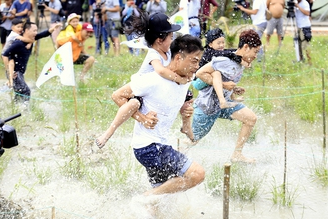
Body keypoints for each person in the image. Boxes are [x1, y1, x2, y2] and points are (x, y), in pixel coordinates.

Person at [109, 35, 205, 215]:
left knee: (159, 206)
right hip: (149, 147)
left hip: (157, 145)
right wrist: (142, 117)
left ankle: (147, 205)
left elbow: (170, 100)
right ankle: (145, 196)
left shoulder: (185, 80)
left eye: (198, 62)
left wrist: (184, 110)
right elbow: (117, 96)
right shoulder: (152, 79)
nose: (196, 66)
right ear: (178, 58)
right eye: (194, 61)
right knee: (197, 174)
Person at [96, 12, 190, 148]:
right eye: (171, 36)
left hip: (152, 91)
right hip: (139, 91)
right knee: (133, 104)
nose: (172, 39)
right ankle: (108, 133)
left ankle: (186, 127)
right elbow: (161, 71)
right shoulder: (153, 54)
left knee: (187, 97)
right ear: (159, 40)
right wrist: (179, 79)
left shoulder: (168, 51)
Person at [190, 29, 262, 163]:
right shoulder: (223, 60)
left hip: (226, 104)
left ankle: (237, 154)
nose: (256, 56)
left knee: (251, 118)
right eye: (255, 52)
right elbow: (200, 73)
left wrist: (233, 89)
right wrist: (224, 84)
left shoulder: (240, 62)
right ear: (246, 47)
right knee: (191, 141)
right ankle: (173, 154)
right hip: (208, 106)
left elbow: (227, 80)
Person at [2, 22, 60, 103]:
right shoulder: (18, 43)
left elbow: (43, 34)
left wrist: (53, 29)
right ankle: (25, 111)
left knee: (19, 93)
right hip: (15, 73)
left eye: (36, 30)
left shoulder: (30, 40)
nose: (36, 33)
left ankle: (16, 109)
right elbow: (5, 55)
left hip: (20, 73)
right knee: (25, 91)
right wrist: (9, 72)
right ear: (26, 30)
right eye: (34, 31)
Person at [295, 0, 312, 64]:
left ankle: (309, 61)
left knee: (305, 45)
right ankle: (300, 58)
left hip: (305, 27)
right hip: (298, 26)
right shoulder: (296, 3)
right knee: (298, 44)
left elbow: (307, 13)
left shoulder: (304, 3)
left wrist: (298, 7)